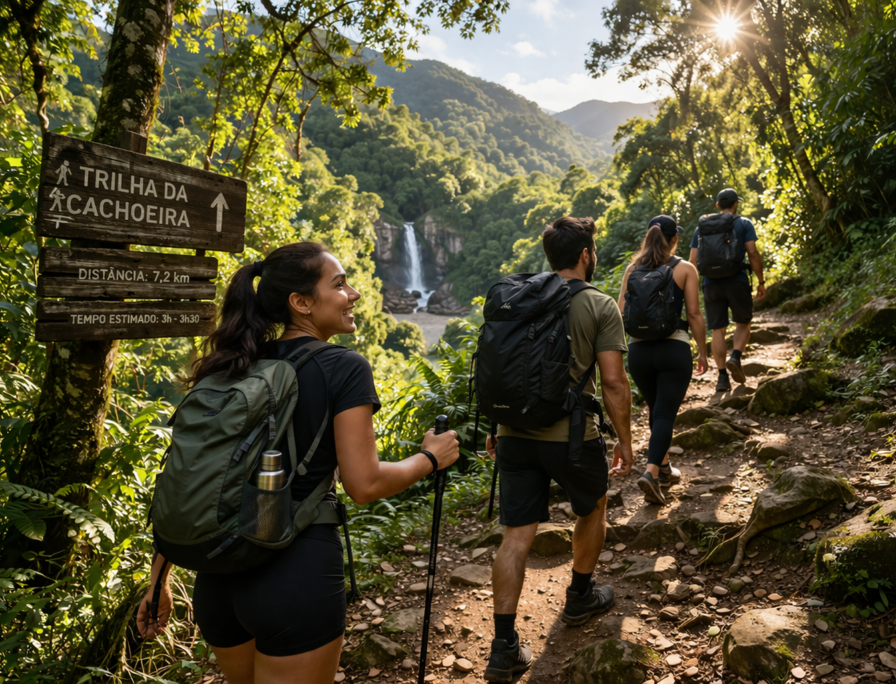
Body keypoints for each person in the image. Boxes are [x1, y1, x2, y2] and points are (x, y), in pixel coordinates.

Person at [135, 242, 460, 684]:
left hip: (217, 578)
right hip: (294, 577)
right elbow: (363, 485)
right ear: (301, 302)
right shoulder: (343, 367)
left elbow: (192, 475)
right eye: (340, 284)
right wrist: (429, 458)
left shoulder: (236, 363)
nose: (355, 294)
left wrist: (158, 580)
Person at [482, 217, 634, 683]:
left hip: (512, 433)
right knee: (594, 507)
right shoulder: (599, 304)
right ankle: (580, 596)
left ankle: (504, 646)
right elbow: (612, 381)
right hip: (572, 437)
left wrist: (497, 422)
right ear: (586, 254)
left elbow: (502, 364)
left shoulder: (520, 296)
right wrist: (626, 441)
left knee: (516, 535)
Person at [617, 216, 709, 505]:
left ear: (648, 237)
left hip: (639, 353)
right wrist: (703, 351)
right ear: (675, 239)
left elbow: (620, 313)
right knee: (665, 413)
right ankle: (651, 472)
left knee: (656, 409)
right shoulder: (685, 268)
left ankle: (665, 467)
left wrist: (619, 355)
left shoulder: (632, 269)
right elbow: (693, 314)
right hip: (673, 350)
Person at [688, 189, 766, 393]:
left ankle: (722, 378)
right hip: (737, 280)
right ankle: (736, 357)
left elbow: (692, 262)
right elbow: (753, 253)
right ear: (735, 204)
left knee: (718, 330)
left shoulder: (702, 228)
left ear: (717, 206)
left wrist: (692, 290)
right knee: (743, 323)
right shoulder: (743, 223)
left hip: (710, 284)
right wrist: (761, 281)